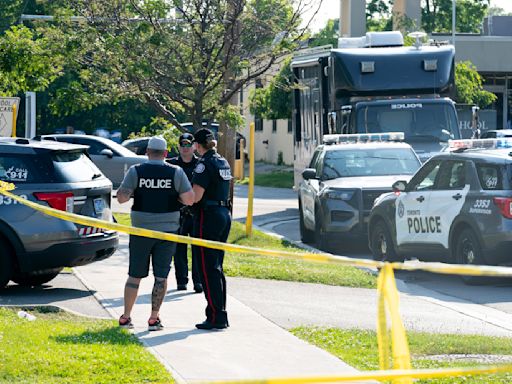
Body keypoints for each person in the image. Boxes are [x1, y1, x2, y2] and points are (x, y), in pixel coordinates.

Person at [116, 136, 194, 331]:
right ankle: (153, 318)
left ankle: (126, 317)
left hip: (140, 231)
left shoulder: (136, 171)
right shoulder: (176, 172)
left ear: (147, 152)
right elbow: (190, 199)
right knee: (161, 276)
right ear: (166, 154)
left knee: (135, 275)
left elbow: (122, 198)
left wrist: (135, 190)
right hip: (167, 232)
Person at [191, 128, 232, 330]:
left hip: (208, 217)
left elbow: (196, 197)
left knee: (207, 269)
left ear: (197, 145)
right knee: (216, 267)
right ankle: (218, 312)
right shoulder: (222, 161)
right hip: (224, 214)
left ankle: (216, 316)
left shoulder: (204, 165)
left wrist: (181, 198)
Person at [168, 132, 203, 293]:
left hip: (196, 213)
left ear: (194, 146)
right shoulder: (172, 165)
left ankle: (198, 282)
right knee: (179, 249)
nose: (186, 148)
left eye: (189, 145)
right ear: (179, 146)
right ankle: (181, 281)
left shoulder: (201, 164)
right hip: (178, 213)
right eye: (183, 145)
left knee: (197, 249)